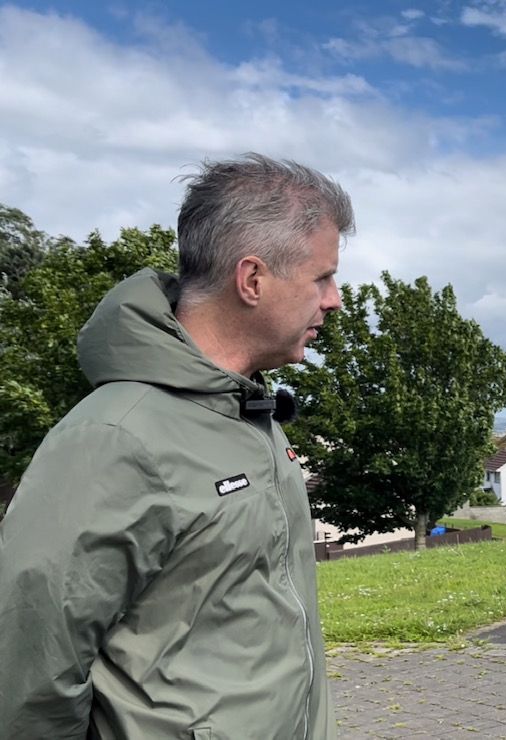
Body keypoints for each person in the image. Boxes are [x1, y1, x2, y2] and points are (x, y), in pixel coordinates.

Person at [0, 154, 352, 738]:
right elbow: (29, 669)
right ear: (253, 279)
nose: (334, 298)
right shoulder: (114, 436)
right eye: (322, 277)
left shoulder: (250, 416)